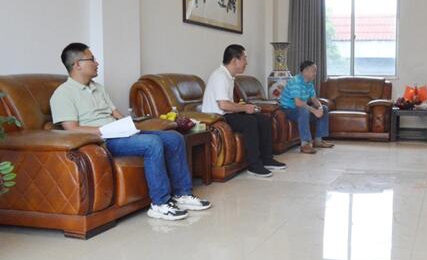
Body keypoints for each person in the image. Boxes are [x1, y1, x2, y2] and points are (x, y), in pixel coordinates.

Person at [50, 43, 210, 221]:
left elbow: (115, 113)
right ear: (77, 64)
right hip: (101, 140)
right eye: (92, 59)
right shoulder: (63, 94)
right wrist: (104, 130)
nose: (97, 63)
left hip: (120, 133)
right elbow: (71, 129)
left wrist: (128, 124)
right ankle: (159, 204)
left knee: (174, 138)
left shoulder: (98, 87)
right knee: (152, 143)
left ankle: (182, 194)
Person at [201, 44, 286, 178]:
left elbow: (227, 103)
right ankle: (254, 166)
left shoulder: (229, 76)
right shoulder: (220, 76)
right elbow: (223, 104)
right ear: (235, 60)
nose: (246, 62)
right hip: (217, 118)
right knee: (249, 122)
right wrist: (245, 108)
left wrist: (245, 107)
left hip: (226, 114)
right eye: (244, 58)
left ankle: (267, 159)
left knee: (263, 119)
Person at [279, 60, 333, 154]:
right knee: (304, 110)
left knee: (324, 108)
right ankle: (305, 144)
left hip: (300, 109)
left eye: (315, 71)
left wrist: (320, 108)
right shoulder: (295, 81)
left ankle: (318, 140)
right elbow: (298, 102)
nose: (315, 73)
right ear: (305, 71)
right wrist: (314, 111)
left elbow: (314, 99)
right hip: (288, 109)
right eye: (314, 71)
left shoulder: (309, 83)